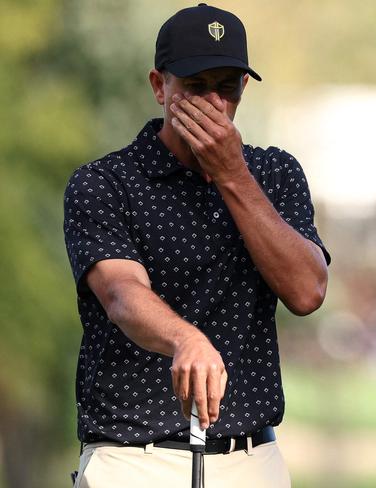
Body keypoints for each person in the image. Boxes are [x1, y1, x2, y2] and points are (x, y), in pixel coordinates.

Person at [63, 4, 330, 487]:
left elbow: (307, 291)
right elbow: (122, 295)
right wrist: (185, 338)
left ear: (243, 90)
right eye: (195, 86)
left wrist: (232, 175)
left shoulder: (274, 173)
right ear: (159, 86)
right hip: (133, 460)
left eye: (226, 87)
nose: (213, 103)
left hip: (251, 459)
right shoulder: (104, 182)